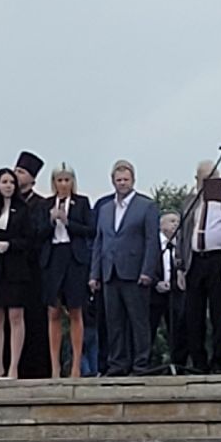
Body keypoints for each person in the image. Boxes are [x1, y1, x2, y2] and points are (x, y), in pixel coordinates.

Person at [89, 160, 162, 378]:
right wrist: (94, 274)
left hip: (135, 272)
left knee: (138, 321)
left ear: (133, 180)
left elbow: (152, 241)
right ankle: (117, 364)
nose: (122, 184)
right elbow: (99, 242)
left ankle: (141, 364)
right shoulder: (105, 209)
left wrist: (148, 271)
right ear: (113, 181)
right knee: (114, 322)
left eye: (126, 180)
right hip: (110, 272)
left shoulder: (146, 206)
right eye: (118, 180)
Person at [174, 161, 221, 376]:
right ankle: (198, 361)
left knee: (219, 313)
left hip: (218, 260)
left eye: (212, 179)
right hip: (195, 261)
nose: (207, 183)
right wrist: (180, 265)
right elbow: (183, 234)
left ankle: (219, 360)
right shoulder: (191, 202)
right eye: (203, 179)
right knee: (194, 315)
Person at [0, 168, 39, 378]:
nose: (8, 185)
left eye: (11, 182)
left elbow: (29, 239)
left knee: (16, 315)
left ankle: (14, 367)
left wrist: (9, 245)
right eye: (4, 182)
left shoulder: (23, 210)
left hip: (16, 268)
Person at [42, 167, 94, 379]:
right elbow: (37, 232)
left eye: (67, 180)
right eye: (59, 180)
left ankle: (75, 367)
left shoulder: (81, 202)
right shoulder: (45, 204)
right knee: (53, 311)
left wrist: (67, 221)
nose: (63, 184)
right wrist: (50, 221)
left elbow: (90, 230)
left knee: (75, 311)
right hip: (53, 257)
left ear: (73, 181)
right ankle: (54, 367)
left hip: (74, 259)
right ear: (53, 183)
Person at [11, 152, 53, 380]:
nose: (17, 176)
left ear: (32, 178)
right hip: (10, 272)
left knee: (34, 321)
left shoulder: (41, 204)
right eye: (15, 171)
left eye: (21, 172)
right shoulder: (6, 202)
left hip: (33, 271)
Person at [152, 212, 181, 372]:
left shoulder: (181, 245)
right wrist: (156, 282)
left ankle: (178, 362)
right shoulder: (153, 244)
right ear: (161, 225)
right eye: (171, 221)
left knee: (177, 330)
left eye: (177, 221)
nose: (175, 224)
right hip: (155, 294)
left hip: (175, 293)